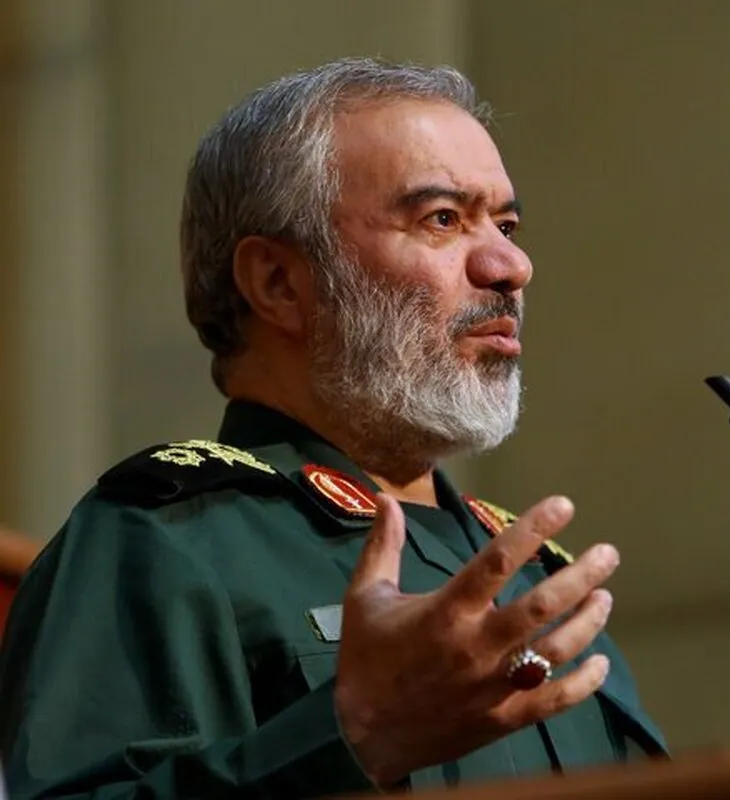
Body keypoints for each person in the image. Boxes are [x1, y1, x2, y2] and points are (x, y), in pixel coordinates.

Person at [0, 57, 666, 798]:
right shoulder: (168, 541)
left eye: (506, 225)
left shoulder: (538, 580)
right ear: (279, 283)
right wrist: (357, 734)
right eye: (442, 219)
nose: (511, 264)